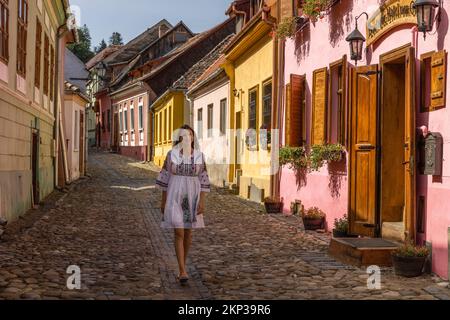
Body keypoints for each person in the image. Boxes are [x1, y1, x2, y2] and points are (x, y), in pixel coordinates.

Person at [156, 124, 211, 284]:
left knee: (188, 233)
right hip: (175, 194)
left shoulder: (200, 156)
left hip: (192, 195)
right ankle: (182, 269)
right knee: (179, 231)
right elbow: (165, 178)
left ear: (193, 138)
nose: (187, 138)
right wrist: (163, 200)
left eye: (189, 135)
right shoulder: (171, 154)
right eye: (183, 135)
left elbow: (204, 179)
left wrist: (202, 201)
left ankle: (183, 266)